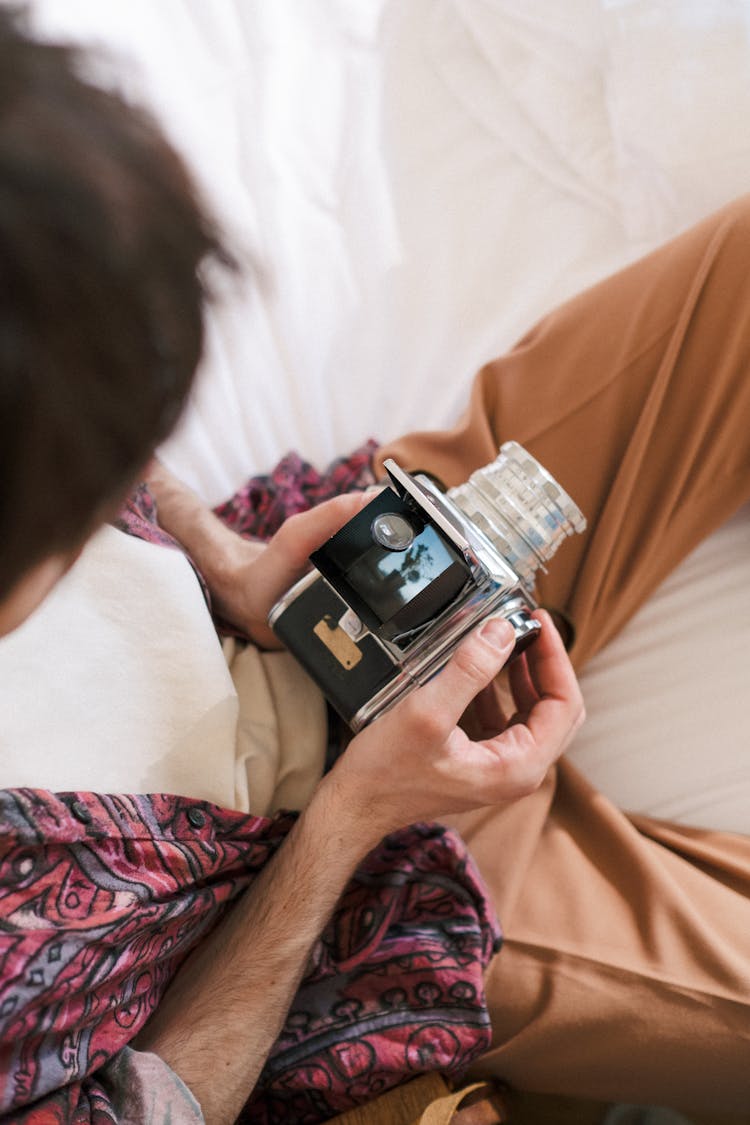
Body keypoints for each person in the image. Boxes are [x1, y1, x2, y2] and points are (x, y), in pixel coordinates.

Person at [0, 6, 748, 1124]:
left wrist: (224, 558)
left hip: (317, 585)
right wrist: (357, 815)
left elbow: (62, 367)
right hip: (348, 890)